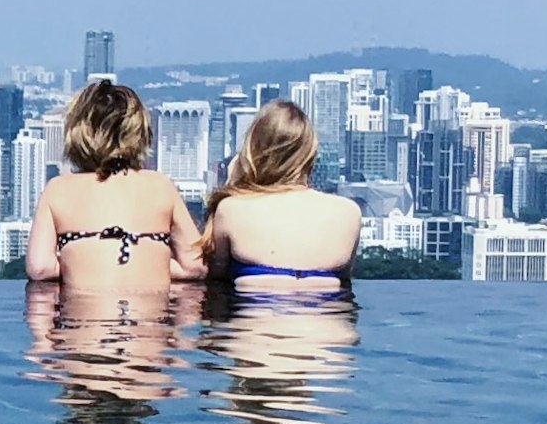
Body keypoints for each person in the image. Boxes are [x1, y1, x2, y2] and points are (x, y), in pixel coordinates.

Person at [24, 78, 201, 293]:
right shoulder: (160, 186)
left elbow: (40, 268)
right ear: (139, 133)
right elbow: (195, 266)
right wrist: (151, 263)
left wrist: (82, 261)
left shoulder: (58, 189)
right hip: (151, 324)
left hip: (82, 323)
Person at [195, 99, 361, 293]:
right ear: (309, 153)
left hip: (255, 320)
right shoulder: (348, 212)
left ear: (253, 150)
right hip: (328, 319)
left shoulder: (231, 209)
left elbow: (214, 284)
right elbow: (346, 285)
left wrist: (233, 183)